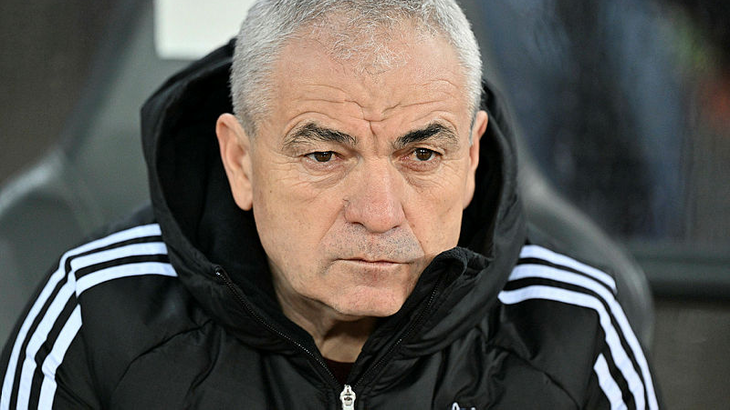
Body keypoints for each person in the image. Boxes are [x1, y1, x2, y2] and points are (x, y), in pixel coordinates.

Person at [1, 0, 660, 408]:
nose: (379, 212)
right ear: (240, 162)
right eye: (324, 155)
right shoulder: (94, 316)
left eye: (421, 154)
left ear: (470, 159)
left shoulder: (577, 331)